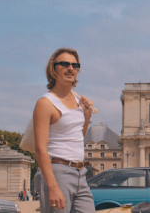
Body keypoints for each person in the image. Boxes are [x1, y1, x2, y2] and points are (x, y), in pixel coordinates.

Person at [33, 48, 95, 213]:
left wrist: (87, 115)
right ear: (53, 69)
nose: (71, 68)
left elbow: (77, 137)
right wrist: (52, 186)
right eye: (65, 64)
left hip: (80, 173)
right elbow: (40, 150)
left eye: (75, 65)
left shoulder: (77, 100)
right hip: (58, 172)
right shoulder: (45, 104)